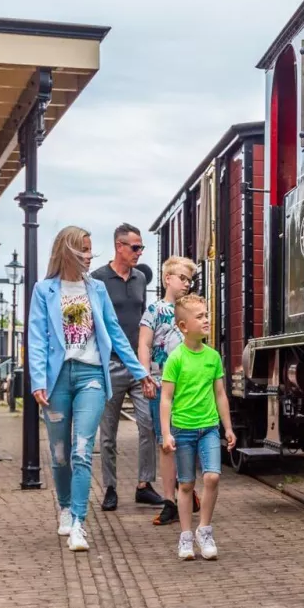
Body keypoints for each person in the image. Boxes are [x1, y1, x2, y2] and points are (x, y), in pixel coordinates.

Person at [28, 226, 153, 552]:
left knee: (82, 451)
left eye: (90, 249)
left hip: (91, 377)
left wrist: (141, 373)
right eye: (83, 249)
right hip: (57, 380)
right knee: (59, 455)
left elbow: (115, 334)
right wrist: (37, 380)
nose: (89, 255)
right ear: (68, 250)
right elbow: (37, 338)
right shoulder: (44, 291)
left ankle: (80, 524)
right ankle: (66, 507)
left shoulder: (96, 289)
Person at [158, 294, 236, 560]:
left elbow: (220, 395)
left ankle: (205, 530)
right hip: (183, 430)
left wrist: (228, 427)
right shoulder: (176, 359)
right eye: (200, 317)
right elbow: (166, 398)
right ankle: (186, 537)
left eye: (206, 315)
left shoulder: (213, 357)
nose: (206, 320)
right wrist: (166, 433)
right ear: (183, 326)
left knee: (212, 476)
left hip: (209, 428)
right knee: (187, 485)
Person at [92, 222, 161, 512]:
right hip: (109, 365)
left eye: (141, 247)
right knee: (108, 433)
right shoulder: (97, 279)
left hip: (138, 365)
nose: (139, 252)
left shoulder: (140, 280)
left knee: (148, 425)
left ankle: (144, 485)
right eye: (135, 247)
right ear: (119, 247)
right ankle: (109, 487)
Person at [139, 255, 197, 527]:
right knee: (166, 443)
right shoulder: (154, 310)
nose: (186, 284)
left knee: (187, 438)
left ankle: (186, 490)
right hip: (161, 384)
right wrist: (145, 376)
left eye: (189, 280)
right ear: (167, 279)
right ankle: (169, 501)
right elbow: (145, 345)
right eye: (182, 278)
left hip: (189, 385)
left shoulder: (190, 310)